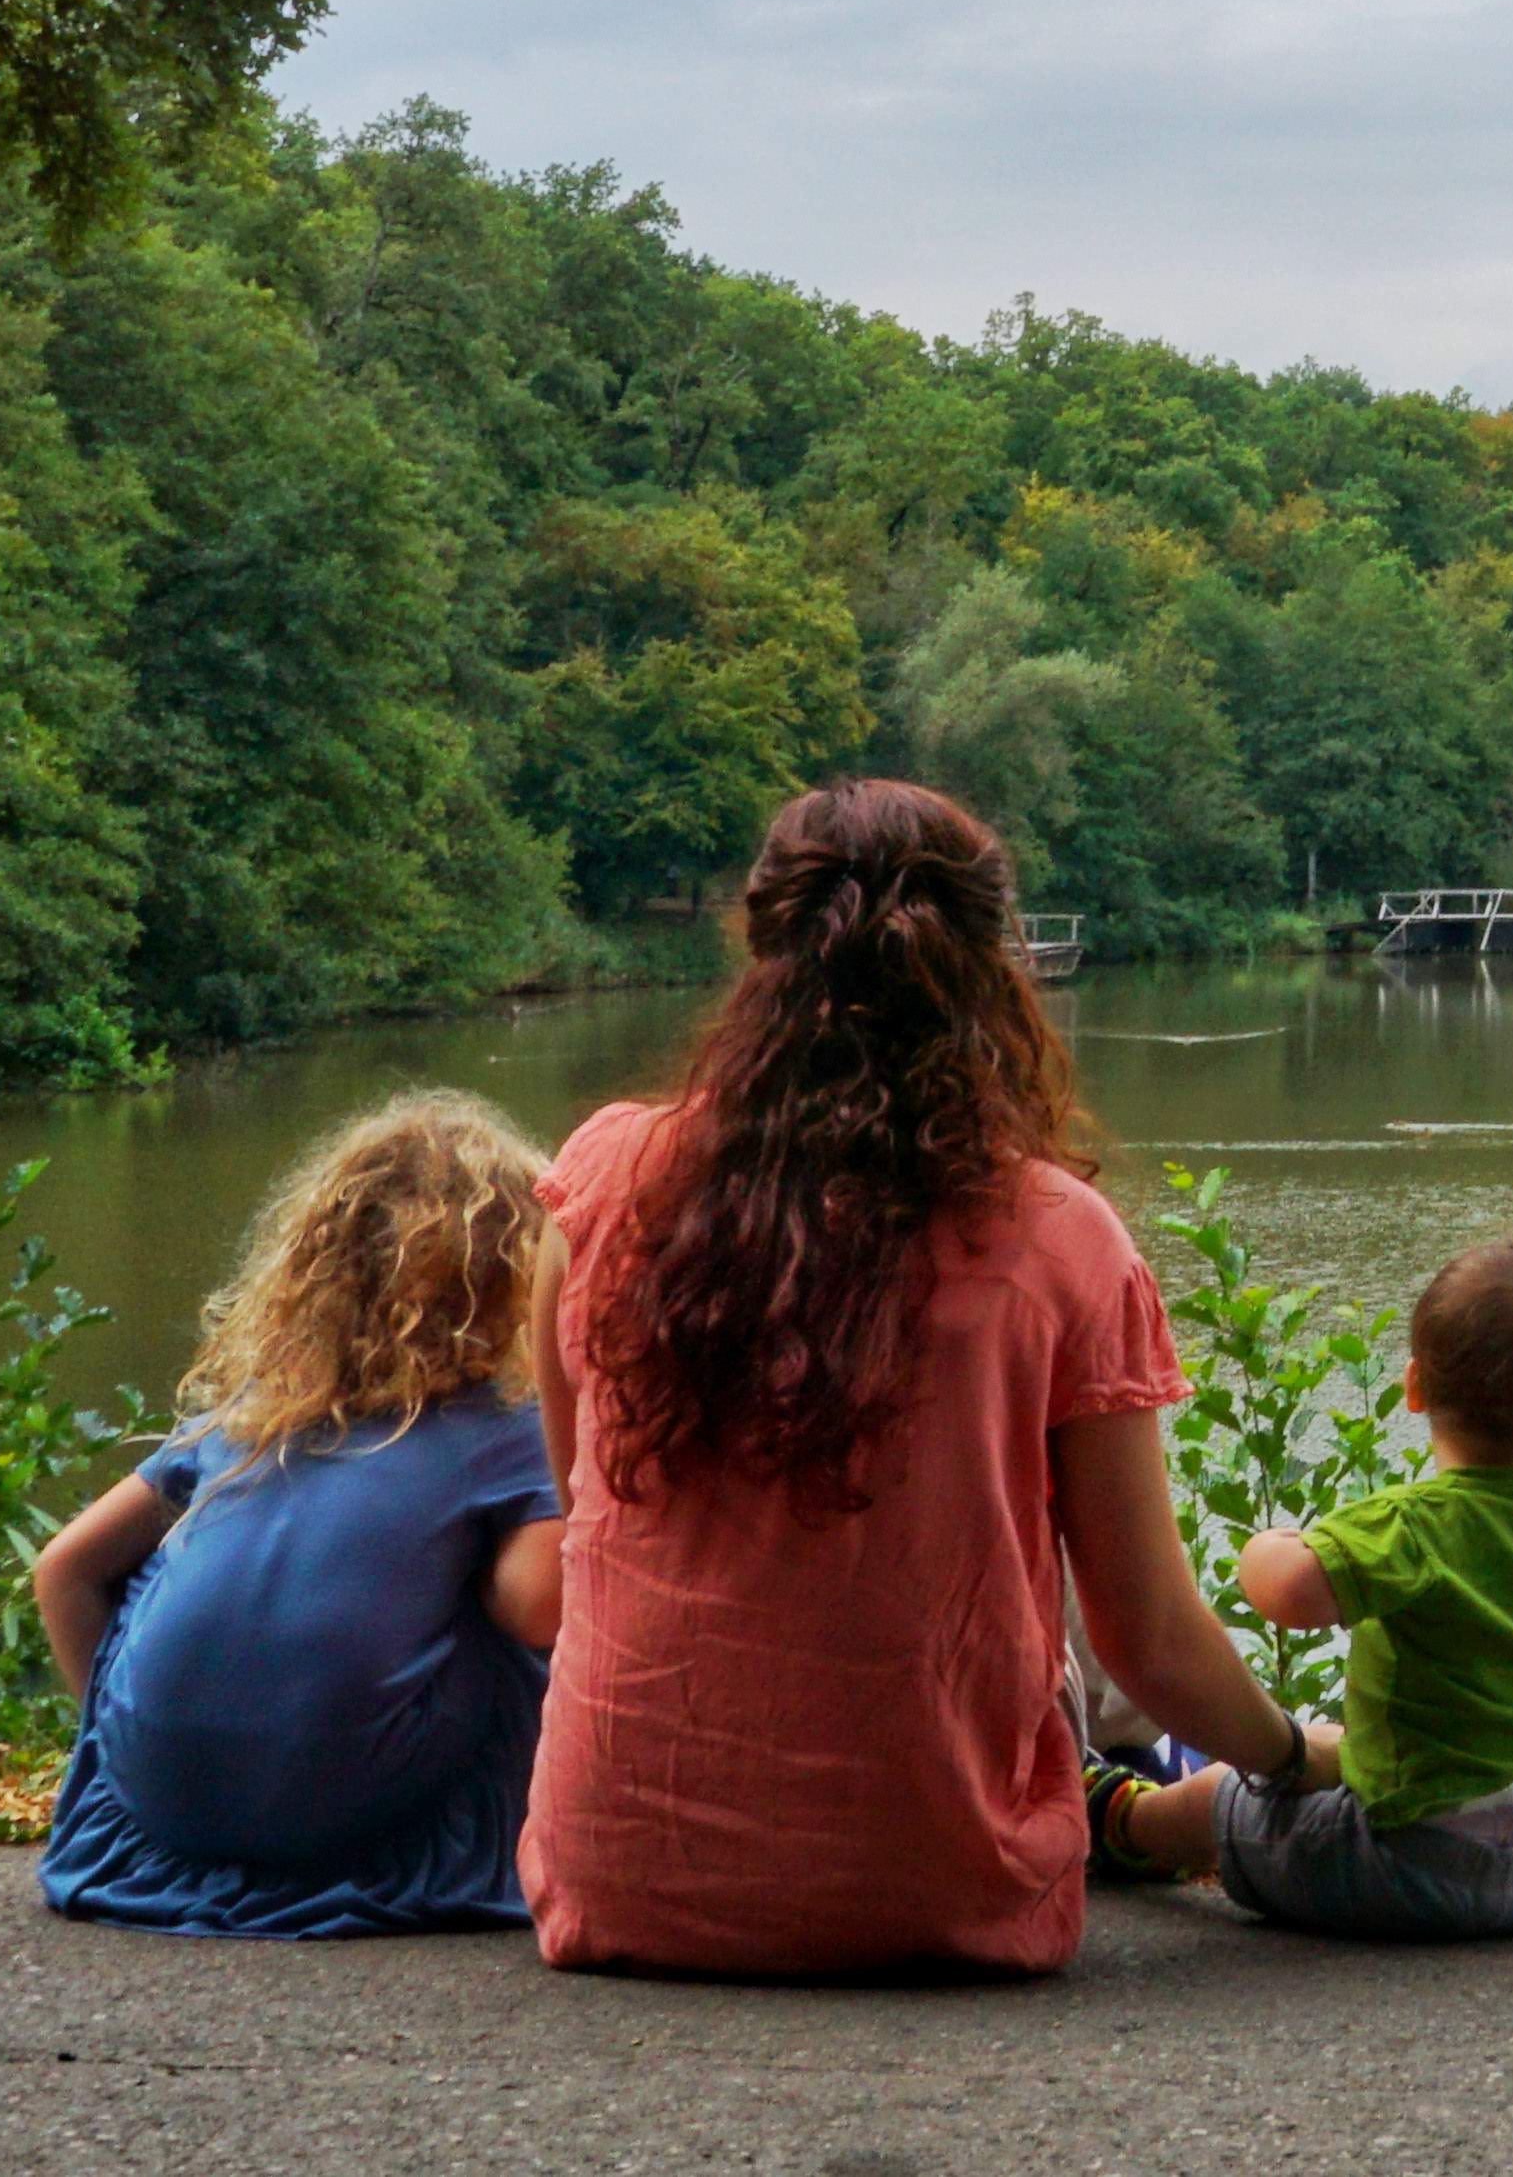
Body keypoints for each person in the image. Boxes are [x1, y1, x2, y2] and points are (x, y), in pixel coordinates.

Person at [519, 777, 1332, 1977]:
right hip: (940, 1894)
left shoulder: (600, 1177)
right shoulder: (1059, 1233)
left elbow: (585, 1503)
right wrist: (1294, 1756)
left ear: (757, 946)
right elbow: (1147, 1637)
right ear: (993, 969)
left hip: (622, 1881)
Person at [30, 1092, 565, 1937]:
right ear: (516, 1275)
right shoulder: (505, 1426)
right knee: (492, 1615)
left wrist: (119, 1763)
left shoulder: (247, 1415)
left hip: (155, 1814)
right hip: (350, 1809)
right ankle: (525, 1837)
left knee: (164, 1572)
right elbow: (539, 1609)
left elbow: (63, 1569)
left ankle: (175, 1766)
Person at [1088, 1236, 1513, 1937]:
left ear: (1413, 1387)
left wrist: (1269, 1545)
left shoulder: (1410, 1527)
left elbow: (1288, 1597)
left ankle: (1121, 1821)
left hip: (1396, 1868)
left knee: (1233, 1791)